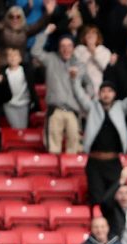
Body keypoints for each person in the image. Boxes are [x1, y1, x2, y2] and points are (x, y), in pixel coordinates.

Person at [74, 68, 127, 204]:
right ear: (99, 94)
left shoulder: (121, 107)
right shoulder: (92, 108)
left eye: (109, 91)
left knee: (115, 198)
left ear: (114, 94)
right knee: (96, 198)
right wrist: (74, 80)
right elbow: (79, 96)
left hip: (114, 162)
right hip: (94, 162)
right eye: (103, 91)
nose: (106, 94)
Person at [32, 23, 92, 154]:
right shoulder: (51, 59)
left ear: (73, 47)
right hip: (55, 110)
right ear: (59, 48)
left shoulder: (80, 65)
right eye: (63, 46)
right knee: (53, 149)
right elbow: (35, 51)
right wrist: (46, 32)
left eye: (69, 46)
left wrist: (88, 95)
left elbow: (89, 84)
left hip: (73, 111)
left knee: (74, 149)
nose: (66, 49)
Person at [2, 46, 39, 130]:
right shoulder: (2, 72)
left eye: (15, 55)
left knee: (23, 128)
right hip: (9, 105)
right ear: (7, 58)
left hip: (24, 104)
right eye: (10, 55)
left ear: (20, 58)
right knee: (16, 128)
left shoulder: (27, 70)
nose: (13, 58)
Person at [74, 25, 112, 98]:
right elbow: (78, 66)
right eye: (88, 33)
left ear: (98, 36)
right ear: (84, 37)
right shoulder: (78, 49)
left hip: (97, 85)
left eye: (93, 33)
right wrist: (89, 50)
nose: (91, 36)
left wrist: (94, 53)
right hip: (82, 85)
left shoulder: (104, 50)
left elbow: (105, 68)